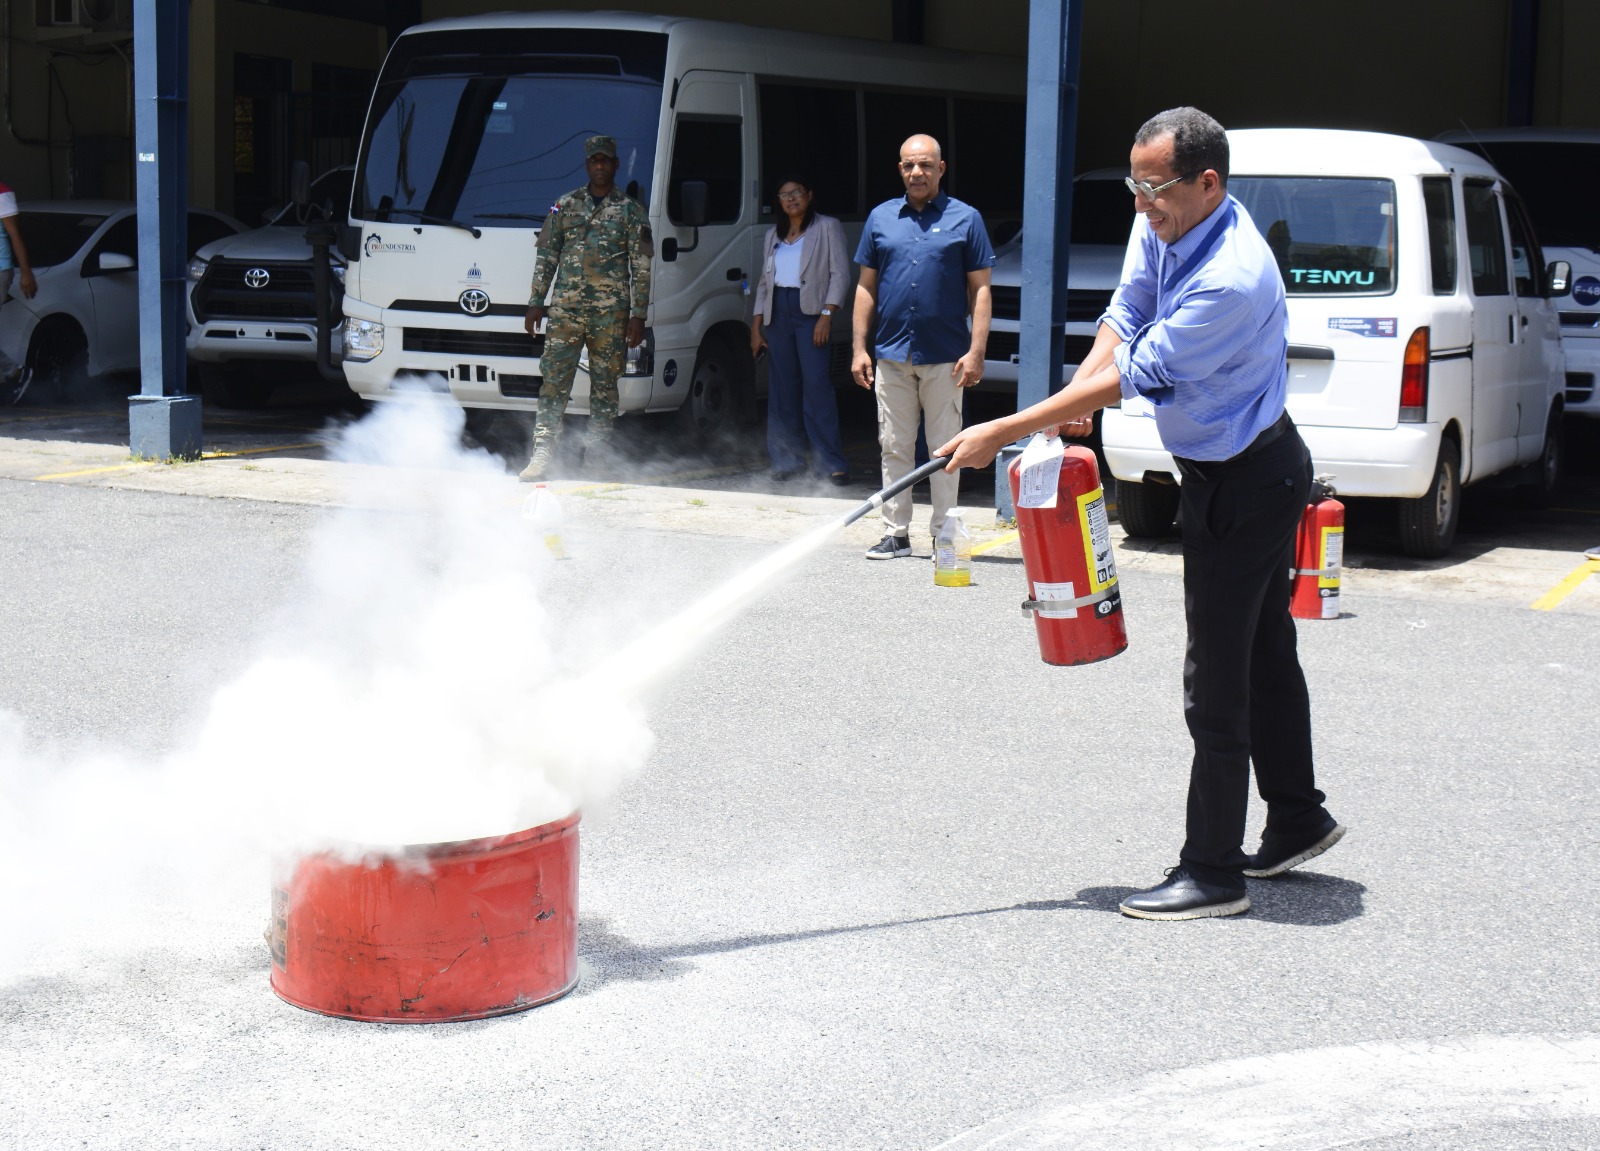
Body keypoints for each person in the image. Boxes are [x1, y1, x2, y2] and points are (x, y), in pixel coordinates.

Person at [938, 107, 1343, 921]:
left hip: (1250, 481)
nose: (1139, 203)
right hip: (1227, 471)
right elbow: (1126, 315)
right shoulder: (1166, 219)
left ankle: (1213, 871)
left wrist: (1003, 430)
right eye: (1135, 184)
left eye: (1154, 188)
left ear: (1208, 183)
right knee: (1264, 650)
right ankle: (1299, 817)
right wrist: (1067, 402)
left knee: (1215, 676)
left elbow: (1136, 373)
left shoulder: (1231, 277)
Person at [852, 134, 993, 558]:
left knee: (946, 449)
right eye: (910, 165)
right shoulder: (880, 218)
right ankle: (895, 533)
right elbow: (865, 287)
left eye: (926, 165)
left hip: (946, 357)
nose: (918, 173)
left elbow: (981, 290)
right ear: (900, 169)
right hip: (892, 354)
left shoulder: (966, 219)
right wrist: (859, 348)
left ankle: (944, 534)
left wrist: (977, 351)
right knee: (893, 445)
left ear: (941, 169)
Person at [520, 135, 652, 481]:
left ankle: (597, 458)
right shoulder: (564, 205)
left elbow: (641, 267)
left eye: (605, 160)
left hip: (610, 315)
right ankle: (542, 454)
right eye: (594, 160)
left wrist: (639, 315)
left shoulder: (631, 211)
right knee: (553, 381)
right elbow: (547, 256)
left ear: (616, 165)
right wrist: (536, 302)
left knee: (605, 386)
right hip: (565, 311)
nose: (600, 165)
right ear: (587, 164)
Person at [750, 176, 852, 485]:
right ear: (779, 202)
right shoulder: (773, 235)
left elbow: (840, 274)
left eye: (796, 193)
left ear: (809, 195)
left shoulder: (827, 227)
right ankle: (787, 460)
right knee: (782, 388)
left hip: (811, 313)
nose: (791, 199)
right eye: (784, 195)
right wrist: (756, 326)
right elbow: (764, 282)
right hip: (778, 313)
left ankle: (830, 463)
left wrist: (826, 314)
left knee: (816, 386)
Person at [0, 177, 38, 405]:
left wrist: (26, 271)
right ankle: (13, 372)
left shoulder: (2, 192)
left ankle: (16, 372)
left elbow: (14, 235)